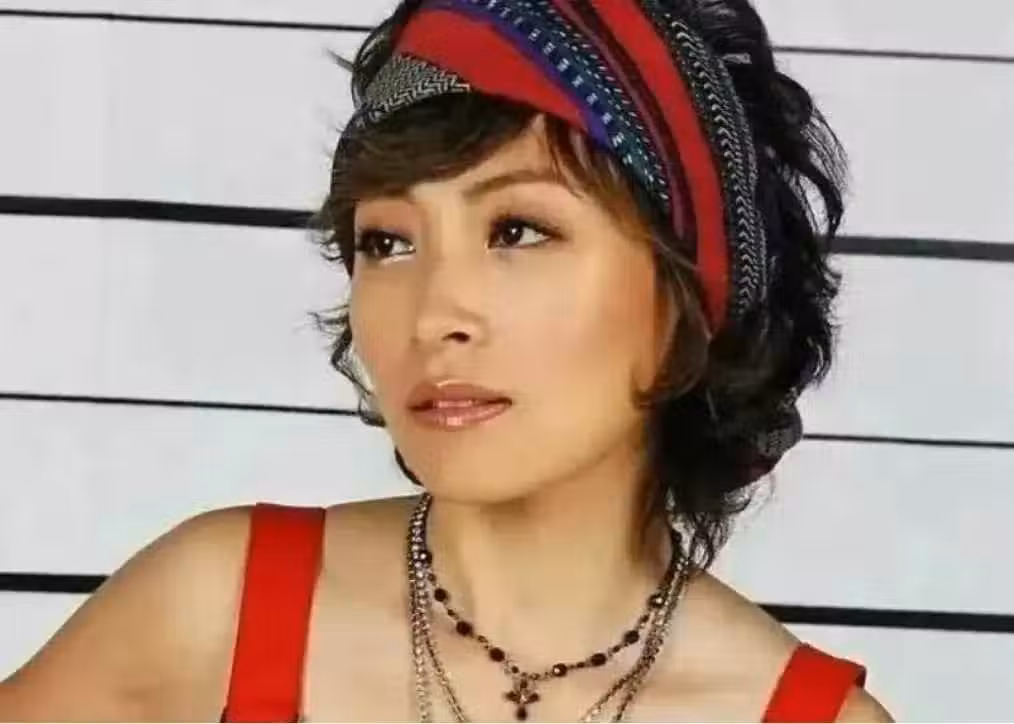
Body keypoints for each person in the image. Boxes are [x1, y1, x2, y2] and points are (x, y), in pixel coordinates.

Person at [0, 0, 895, 721]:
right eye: (386, 242)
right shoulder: (217, 610)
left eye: (518, 230)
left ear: (688, 290)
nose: (433, 315)